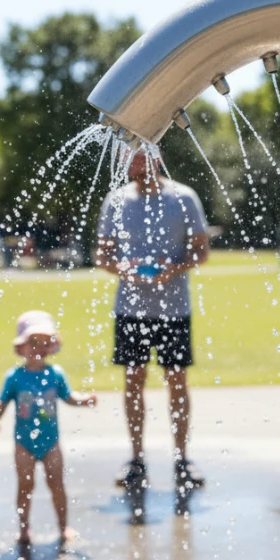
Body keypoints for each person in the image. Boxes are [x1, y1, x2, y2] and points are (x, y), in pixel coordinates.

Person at [95, 147, 210, 492]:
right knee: (133, 381)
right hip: (131, 308)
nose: (136, 165)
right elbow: (103, 255)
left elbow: (201, 251)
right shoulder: (116, 201)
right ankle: (136, 458)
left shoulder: (183, 198)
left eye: (142, 157)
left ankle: (182, 458)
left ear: (157, 159)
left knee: (176, 381)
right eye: (130, 159)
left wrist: (173, 268)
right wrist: (125, 270)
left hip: (173, 308)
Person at [0, 311, 97, 548]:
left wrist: (84, 400)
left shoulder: (55, 374)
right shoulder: (15, 377)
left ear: (52, 346)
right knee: (25, 486)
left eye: (44, 342)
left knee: (56, 484)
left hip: (51, 443)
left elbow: (68, 397)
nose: (38, 347)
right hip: (23, 443)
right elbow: (1, 402)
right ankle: (24, 528)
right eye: (32, 342)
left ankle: (63, 526)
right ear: (21, 347)